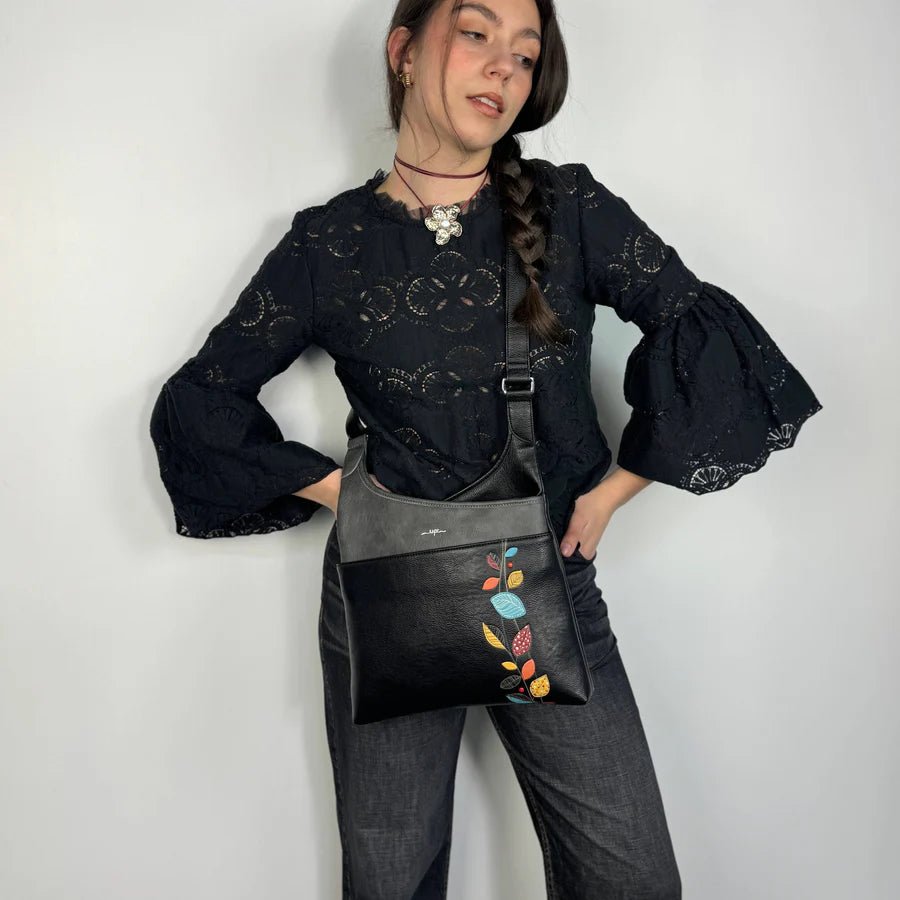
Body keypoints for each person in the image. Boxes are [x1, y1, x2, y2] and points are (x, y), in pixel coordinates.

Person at [149, 1, 823, 896]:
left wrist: (612, 491)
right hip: (385, 592)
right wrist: (343, 494)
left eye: (525, 53)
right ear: (404, 51)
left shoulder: (570, 209)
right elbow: (200, 401)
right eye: (476, 34)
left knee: (631, 877)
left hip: (547, 584)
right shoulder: (327, 245)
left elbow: (705, 333)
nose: (504, 66)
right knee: (390, 879)